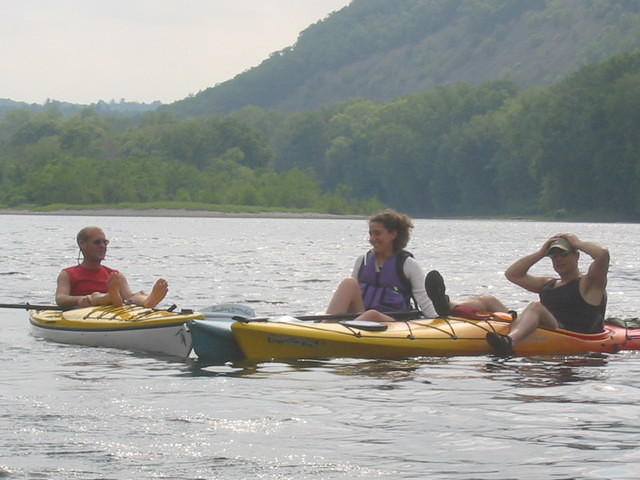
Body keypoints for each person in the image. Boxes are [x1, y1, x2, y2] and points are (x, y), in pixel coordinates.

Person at [484, 233, 609, 356]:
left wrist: (577, 243)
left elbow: (602, 254)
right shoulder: (548, 283)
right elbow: (512, 274)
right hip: (547, 327)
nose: (558, 259)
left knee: (535, 306)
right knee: (487, 300)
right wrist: (540, 253)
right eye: (554, 256)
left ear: (576, 256)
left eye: (563, 255)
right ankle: (465, 327)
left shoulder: (589, 283)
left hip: (572, 333)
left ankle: (509, 342)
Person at [326, 209, 436, 322]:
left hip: (395, 323)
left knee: (372, 315)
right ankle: (326, 327)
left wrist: (438, 321)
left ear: (393, 234)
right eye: (371, 233)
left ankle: (342, 332)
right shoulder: (362, 261)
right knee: (348, 283)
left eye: (377, 233)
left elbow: (424, 300)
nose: (372, 239)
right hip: (361, 319)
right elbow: (352, 297)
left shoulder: (408, 264)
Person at [55, 226, 169, 309]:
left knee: (134, 296)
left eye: (105, 242)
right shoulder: (68, 274)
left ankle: (147, 301)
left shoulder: (114, 275)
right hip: (83, 311)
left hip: (112, 310)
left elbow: (129, 297)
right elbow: (60, 298)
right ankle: (109, 297)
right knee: (97, 297)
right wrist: (82, 299)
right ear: (82, 244)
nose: (103, 246)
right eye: (97, 242)